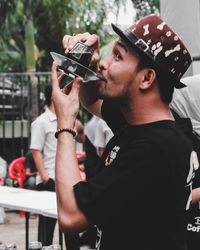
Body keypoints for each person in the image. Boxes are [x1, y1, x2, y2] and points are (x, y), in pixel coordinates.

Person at [51, 15, 195, 250]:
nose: (106, 63)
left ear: (147, 78)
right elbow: (91, 101)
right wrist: (90, 62)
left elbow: (71, 217)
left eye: (117, 56)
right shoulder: (143, 126)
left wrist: (65, 124)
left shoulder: (156, 149)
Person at [30, 84, 84, 248]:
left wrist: (79, 128)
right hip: (51, 179)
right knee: (47, 226)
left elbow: (82, 139)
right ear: (55, 96)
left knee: (71, 227)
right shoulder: (41, 122)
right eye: (65, 91)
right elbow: (36, 150)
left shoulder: (69, 119)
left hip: (68, 180)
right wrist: (45, 177)